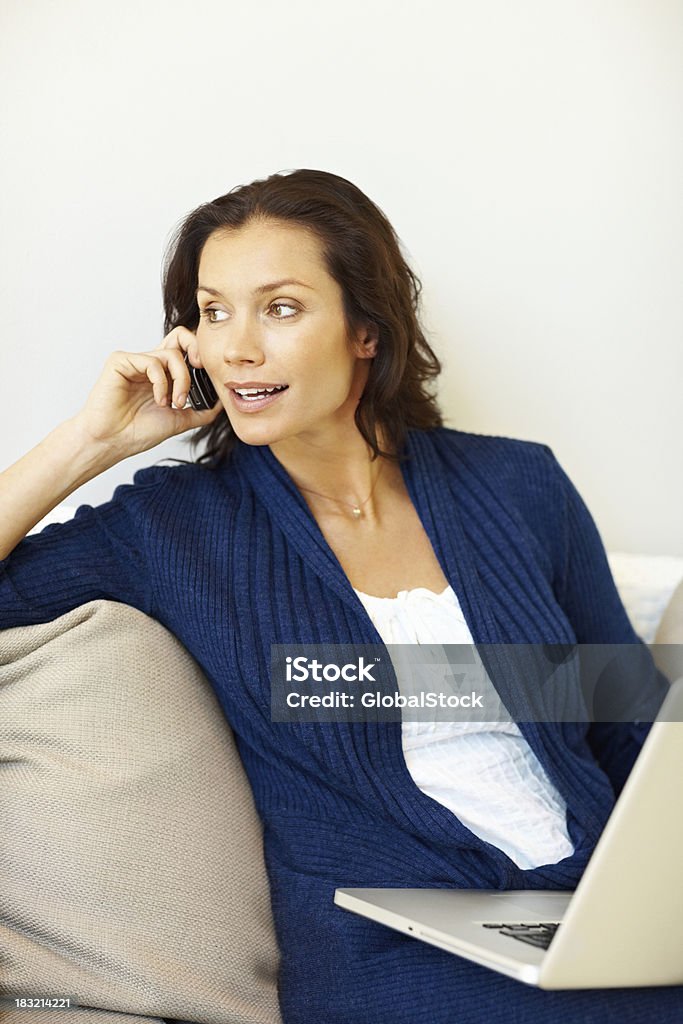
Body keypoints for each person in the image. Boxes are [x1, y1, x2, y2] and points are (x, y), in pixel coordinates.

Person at [0, 168, 680, 1023]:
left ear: (365, 327)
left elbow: (629, 721)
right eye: (213, 312)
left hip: (591, 907)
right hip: (392, 944)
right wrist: (91, 441)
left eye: (279, 308)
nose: (235, 347)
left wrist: (647, 901)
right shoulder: (171, 526)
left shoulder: (518, 484)